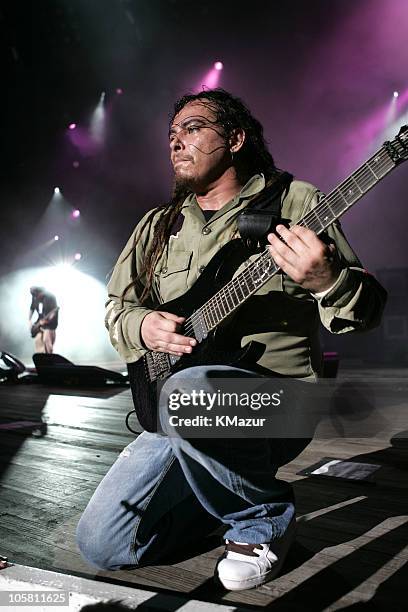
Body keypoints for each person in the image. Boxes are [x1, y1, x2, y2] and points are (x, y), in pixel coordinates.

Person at [76, 89, 386, 590]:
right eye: (172, 134)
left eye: (193, 128)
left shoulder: (296, 202)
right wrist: (143, 326)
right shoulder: (158, 226)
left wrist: (327, 281)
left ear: (236, 138)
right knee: (105, 545)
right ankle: (226, 499)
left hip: (281, 401)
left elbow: (367, 310)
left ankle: (263, 518)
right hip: (179, 402)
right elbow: (117, 307)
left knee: (193, 390)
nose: (177, 142)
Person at [28, 286, 59, 354]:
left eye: (38, 296)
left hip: (50, 324)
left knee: (46, 340)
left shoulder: (50, 297)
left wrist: (47, 320)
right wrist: (29, 320)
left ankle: (50, 356)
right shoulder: (35, 297)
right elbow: (32, 308)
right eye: (35, 296)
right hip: (40, 322)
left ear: (41, 293)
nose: (36, 298)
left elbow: (53, 312)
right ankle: (41, 357)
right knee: (38, 341)